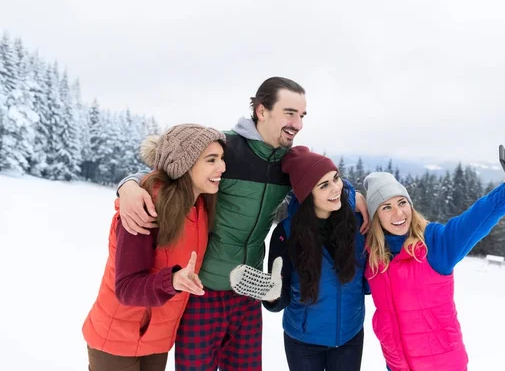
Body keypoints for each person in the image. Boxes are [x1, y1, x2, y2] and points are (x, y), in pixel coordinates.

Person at [115, 77, 370, 370]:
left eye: (302, 116)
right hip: (201, 289)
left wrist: (354, 194)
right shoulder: (225, 150)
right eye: (289, 113)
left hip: (248, 290)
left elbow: (321, 178)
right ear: (262, 111)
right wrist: (129, 185)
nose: (298, 124)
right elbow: (166, 170)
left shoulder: (288, 162)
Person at [363, 160, 505, 371]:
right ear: (375, 216)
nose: (398, 213)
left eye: (402, 202)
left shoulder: (435, 244)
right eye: (386, 207)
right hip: (396, 367)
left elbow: (475, 220)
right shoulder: (372, 259)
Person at [82, 124, 227, 371]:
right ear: (185, 164)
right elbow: (126, 289)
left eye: (222, 158)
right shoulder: (145, 207)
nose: (222, 167)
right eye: (211, 159)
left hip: (157, 340)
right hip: (115, 339)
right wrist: (172, 281)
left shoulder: (201, 207)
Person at [231, 146, 369, 371]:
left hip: (349, 337)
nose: (336, 189)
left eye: (336, 178)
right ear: (306, 194)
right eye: (324, 185)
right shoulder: (286, 234)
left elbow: (367, 284)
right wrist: (272, 295)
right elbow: (281, 299)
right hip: (303, 343)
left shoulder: (357, 223)